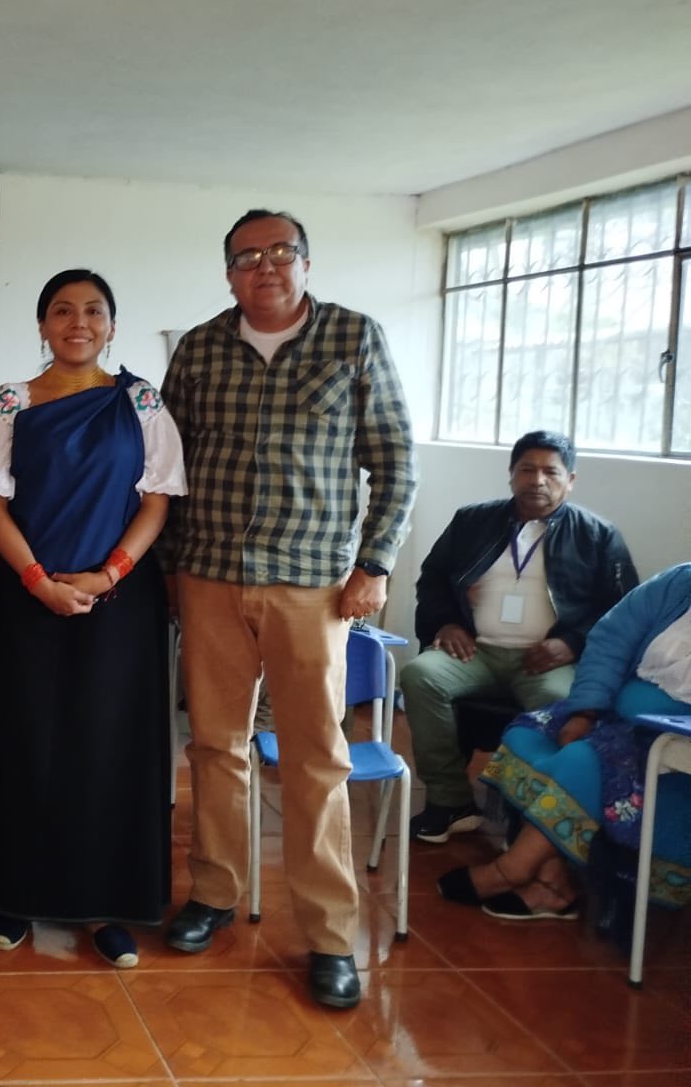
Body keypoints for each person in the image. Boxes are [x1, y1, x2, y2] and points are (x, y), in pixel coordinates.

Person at [158, 209, 417, 1009]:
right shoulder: (199, 348)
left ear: (305, 263)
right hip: (209, 575)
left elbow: (395, 460)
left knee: (316, 758)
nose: (265, 266)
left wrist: (376, 563)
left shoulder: (354, 337)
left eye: (280, 252)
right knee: (215, 746)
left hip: (313, 586)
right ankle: (213, 893)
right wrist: (167, 568)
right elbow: (166, 463)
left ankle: (331, 936)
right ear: (228, 273)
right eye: (248, 257)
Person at [0, 269, 187, 969]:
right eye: (62, 310)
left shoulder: (140, 402)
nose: (78, 322)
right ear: (43, 325)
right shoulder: (10, 403)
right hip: (28, 598)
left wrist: (109, 574)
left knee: (107, 746)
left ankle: (103, 903)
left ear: (112, 325)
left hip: (120, 603)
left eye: (93, 310)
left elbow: (157, 500)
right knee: (21, 741)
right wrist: (36, 581)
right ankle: (11, 893)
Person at [403, 430, 637, 842]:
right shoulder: (472, 521)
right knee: (420, 676)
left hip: (545, 662)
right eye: (527, 469)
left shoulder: (597, 535)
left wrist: (573, 642)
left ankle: (529, 815)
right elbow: (433, 579)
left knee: (560, 703)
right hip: (475, 651)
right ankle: (449, 800)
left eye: (551, 472)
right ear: (511, 474)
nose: (537, 480)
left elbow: (621, 609)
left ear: (570, 480)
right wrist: (447, 623)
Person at [439, 564, 691, 920]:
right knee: (527, 733)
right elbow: (611, 640)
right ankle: (553, 881)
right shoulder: (679, 583)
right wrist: (585, 711)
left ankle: (510, 871)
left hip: (674, 747)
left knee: (585, 760)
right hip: (614, 717)